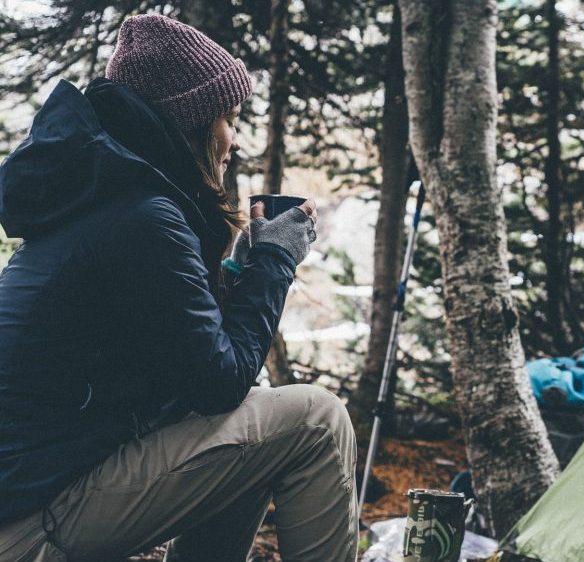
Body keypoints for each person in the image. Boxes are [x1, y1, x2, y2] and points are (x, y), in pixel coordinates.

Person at [0, 14, 357, 562]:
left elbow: (191, 374)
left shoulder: (101, 203)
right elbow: (218, 385)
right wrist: (275, 261)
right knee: (316, 421)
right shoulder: (145, 218)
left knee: (254, 430)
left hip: (30, 493)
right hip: (32, 520)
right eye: (228, 120)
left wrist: (237, 274)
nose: (232, 142)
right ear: (190, 122)